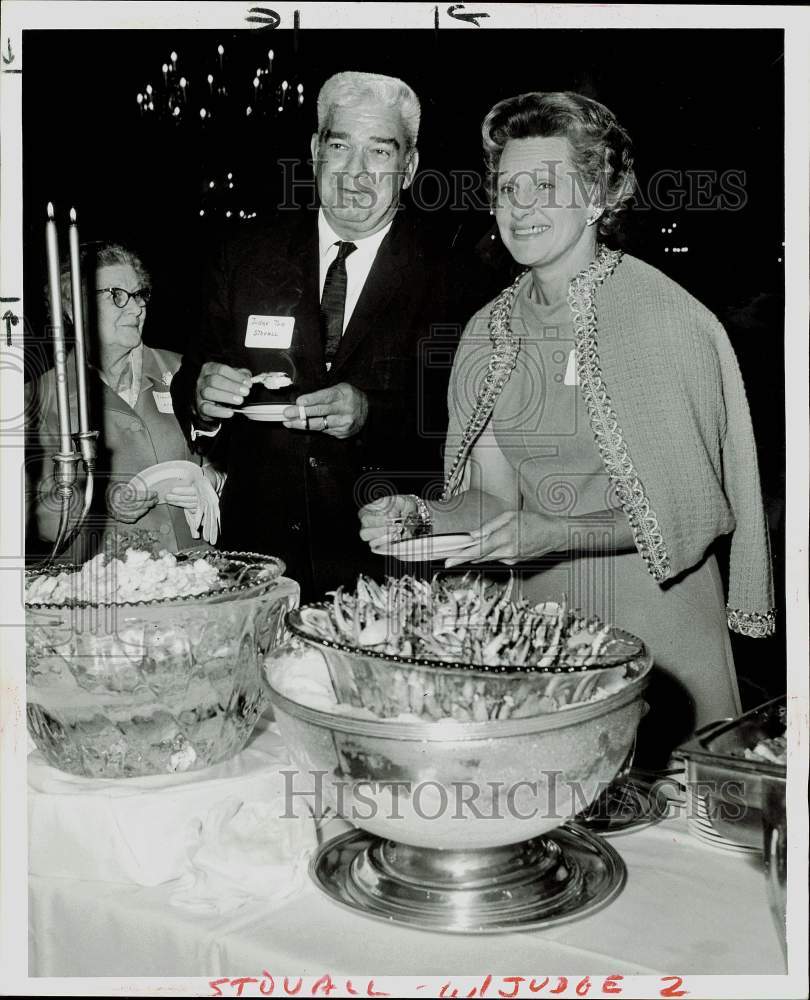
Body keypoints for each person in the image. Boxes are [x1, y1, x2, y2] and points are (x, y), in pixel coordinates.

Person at [360, 91, 775, 764]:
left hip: (658, 638)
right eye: (507, 186)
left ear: (597, 196)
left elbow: (688, 515)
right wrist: (422, 517)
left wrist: (556, 533)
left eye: (545, 185)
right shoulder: (490, 329)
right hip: (545, 642)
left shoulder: (662, 317)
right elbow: (493, 499)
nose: (520, 205)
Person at [170, 71, 472, 600]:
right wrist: (201, 399)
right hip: (258, 564)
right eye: (340, 146)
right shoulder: (243, 257)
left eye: (380, 152)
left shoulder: (455, 278)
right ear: (314, 152)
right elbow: (191, 378)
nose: (356, 172)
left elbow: (465, 427)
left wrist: (369, 413)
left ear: (409, 167)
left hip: (390, 570)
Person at [28, 242, 222, 562]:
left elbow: (229, 458)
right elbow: (37, 517)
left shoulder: (186, 373)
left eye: (140, 295)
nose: (137, 309)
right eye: (117, 295)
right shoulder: (40, 399)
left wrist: (214, 481)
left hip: (198, 574)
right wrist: (102, 501)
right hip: (108, 590)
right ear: (73, 307)